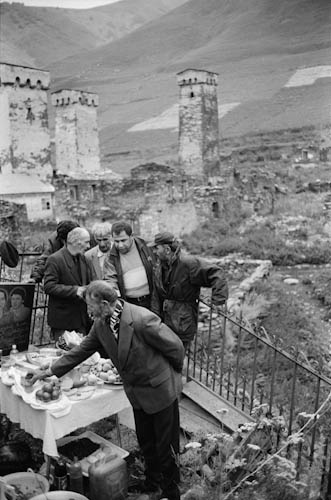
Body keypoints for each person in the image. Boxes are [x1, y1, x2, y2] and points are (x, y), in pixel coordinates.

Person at [30, 280, 185, 500]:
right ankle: (152, 483)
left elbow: (176, 347)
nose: (88, 311)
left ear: (104, 303)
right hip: (137, 392)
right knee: (146, 440)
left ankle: (171, 491)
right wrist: (49, 372)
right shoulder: (101, 324)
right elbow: (81, 351)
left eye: (90, 306)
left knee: (166, 445)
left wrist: (172, 376)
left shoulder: (142, 319)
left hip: (160, 390)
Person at [149, 231, 228, 351]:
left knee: (179, 356)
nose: (154, 251)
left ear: (167, 249)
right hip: (164, 321)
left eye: (156, 248)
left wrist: (218, 301)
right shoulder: (160, 265)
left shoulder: (188, 263)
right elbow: (157, 294)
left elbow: (217, 274)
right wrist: (155, 318)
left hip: (183, 323)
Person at [43, 227, 92, 341]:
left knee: (83, 356)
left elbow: (88, 282)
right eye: (86, 242)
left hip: (81, 320)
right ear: (76, 242)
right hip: (63, 321)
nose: (89, 246)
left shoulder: (83, 259)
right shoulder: (54, 259)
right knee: (64, 355)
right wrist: (75, 291)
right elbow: (49, 286)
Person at [103, 221, 155, 309]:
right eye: (116, 241)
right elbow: (110, 280)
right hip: (129, 303)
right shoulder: (110, 257)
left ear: (132, 236)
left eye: (123, 240)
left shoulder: (146, 246)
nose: (120, 245)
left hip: (152, 300)